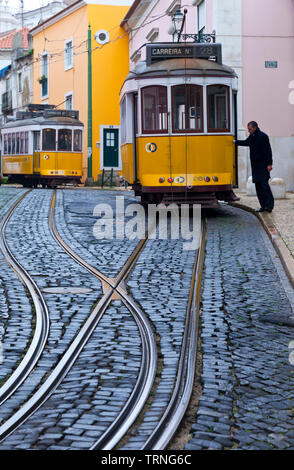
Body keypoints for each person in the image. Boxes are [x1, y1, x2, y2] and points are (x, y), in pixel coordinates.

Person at [234, 121, 274, 213]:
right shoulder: (252, 136)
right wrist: (235, 142)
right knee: (258, 188)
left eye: (250, 129)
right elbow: (246, 142)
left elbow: (268, 151)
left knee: (265, 186)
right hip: (255, 166)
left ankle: (269, 206)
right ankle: (263, 206)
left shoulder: (263, 136)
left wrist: (269, 164)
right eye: (248, 129)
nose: (249, 131)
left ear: (255, 127)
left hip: (263, 166)